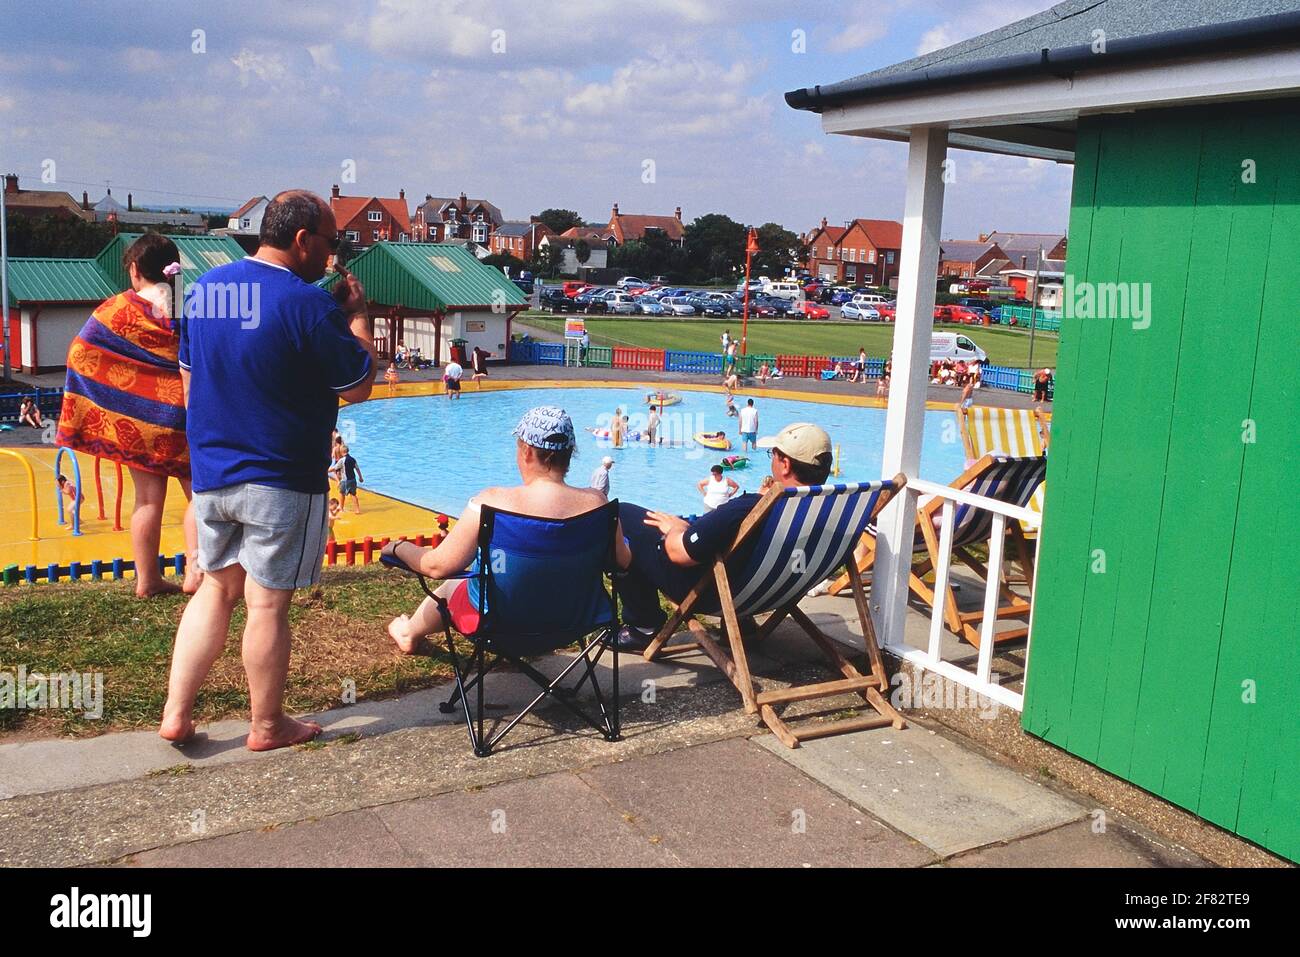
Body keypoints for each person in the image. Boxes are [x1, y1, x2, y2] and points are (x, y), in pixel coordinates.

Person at [160, 189, 376, 751]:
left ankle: (177, 713)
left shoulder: (205, 290)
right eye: (331, 243)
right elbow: (358, 385)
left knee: (213, 589)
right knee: (267, 604)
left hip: (213, 473)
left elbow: (189, 380)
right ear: (302, 239)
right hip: (280, 477)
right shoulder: (306, 303)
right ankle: (266, 725)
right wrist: (356, 315)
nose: (332, 257)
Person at [383, 406, 631, 654]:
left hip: (498, 625)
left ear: (526, 452)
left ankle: (409, 632)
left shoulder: (492, 502)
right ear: (569, 454)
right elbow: (623, 561)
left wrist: (398, 548)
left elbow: (436, 566)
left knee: (452, 586)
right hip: (576, 623)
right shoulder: (598, 504)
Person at [56, 233, 201, 598]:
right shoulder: (188, 303)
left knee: (148, 501)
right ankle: (195, 574)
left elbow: (81, 352)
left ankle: (147, 579)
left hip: (140, 422)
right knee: (200, 497)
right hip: (185, 416)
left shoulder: (119, 308)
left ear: (135, 270)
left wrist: (117, 400)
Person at [615, 423, 834, 649]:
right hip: (768, 593)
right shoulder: (829, 510)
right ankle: (740, 623)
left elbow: (679, 553)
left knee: (621, 516)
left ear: (785, 465)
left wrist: (676, 529)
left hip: (712, 593)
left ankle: (643, 626)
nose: (772, 460)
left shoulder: (749, 509)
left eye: (774, 455)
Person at [335, 442, 363, 513]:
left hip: (345, 480)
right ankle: (357, 509)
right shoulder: (353, 459)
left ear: (341, 452)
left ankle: (341, 508)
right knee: (353, 494)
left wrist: (327, 470)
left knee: (342, 493)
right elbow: (357, 468)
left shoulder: (342, 460)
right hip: (353, 479)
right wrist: (360, 477)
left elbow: (335, 468)